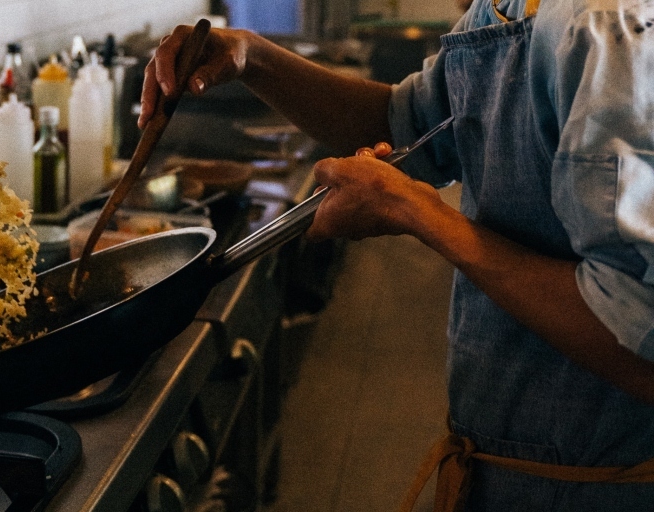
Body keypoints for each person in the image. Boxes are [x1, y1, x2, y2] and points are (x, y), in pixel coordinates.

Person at [139, 0, 654, 510]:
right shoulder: (506, 8)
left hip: (602, 481)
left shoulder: (605, 27)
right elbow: (402, 121)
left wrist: (415, 212)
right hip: (509, 458)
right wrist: (253, 58)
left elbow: (639, 343)